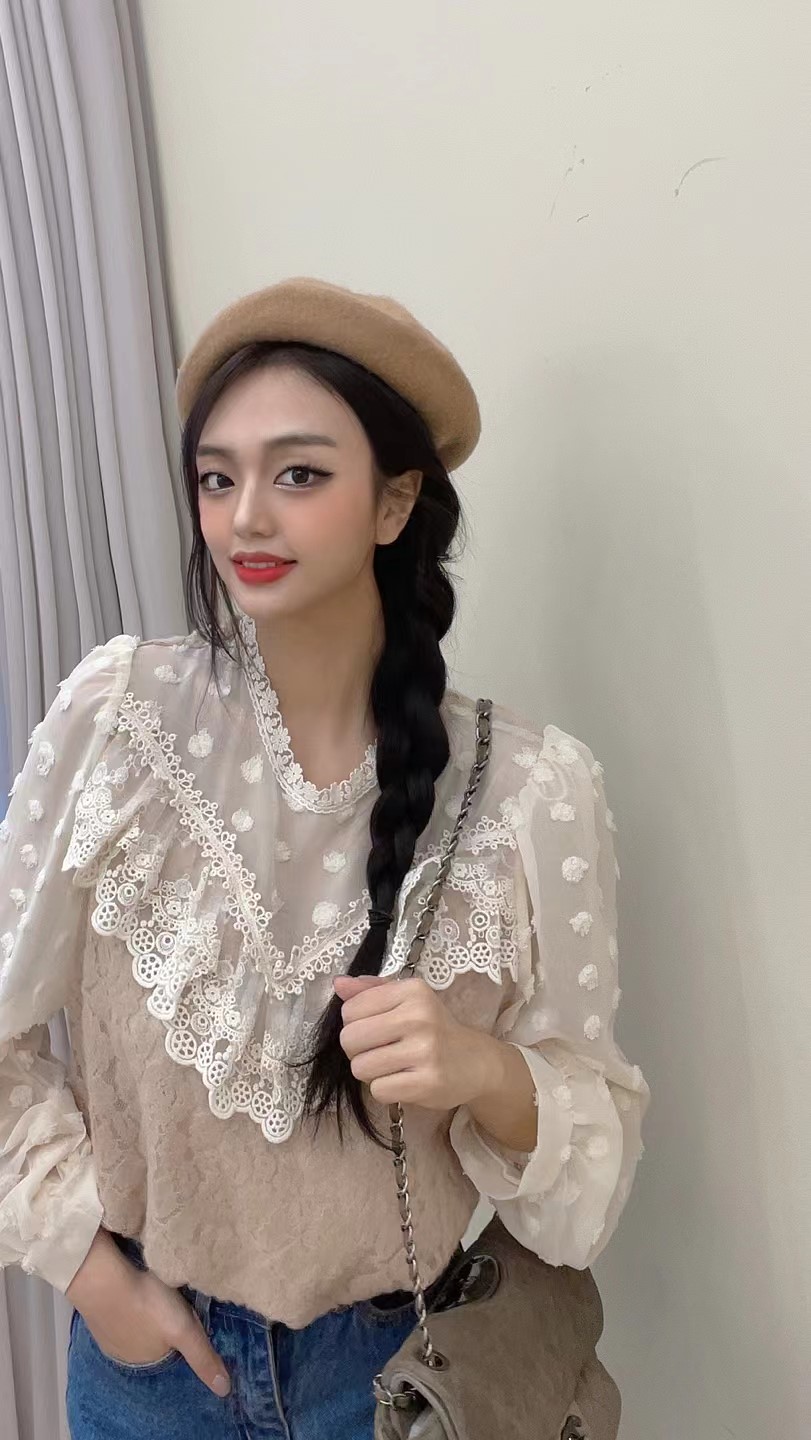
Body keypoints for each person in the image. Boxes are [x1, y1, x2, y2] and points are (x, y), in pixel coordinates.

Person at [0, 276, 649, 1440]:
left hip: (402, 1378)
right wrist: (91, 1275)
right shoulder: (119, 721)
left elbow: (580, 1202)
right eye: (218, 478)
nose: (246, 516)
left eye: (297, 474)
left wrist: (479, 1071)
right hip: (155, 1373)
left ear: (395, 502)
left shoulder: (528, 793)